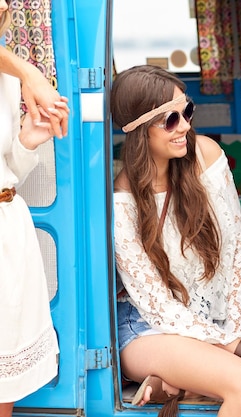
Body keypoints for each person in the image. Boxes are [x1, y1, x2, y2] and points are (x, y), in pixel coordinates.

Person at [111, 65, 241, 417]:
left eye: (186, 111)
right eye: (170, 120)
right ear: (139, 129)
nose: (185, 126)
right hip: (148, 329)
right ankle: (193, 374)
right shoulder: (123, 196)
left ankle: (180, 383)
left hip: (203, 322)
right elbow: (156, 305)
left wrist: (238, 339)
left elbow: (236, 252)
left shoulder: (206, 155)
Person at [0, 0, 69, 415]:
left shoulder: (10, 80)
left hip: (6, 225)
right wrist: (30, 70)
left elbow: (9, 171)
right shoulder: (18, 74)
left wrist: (28, 140)